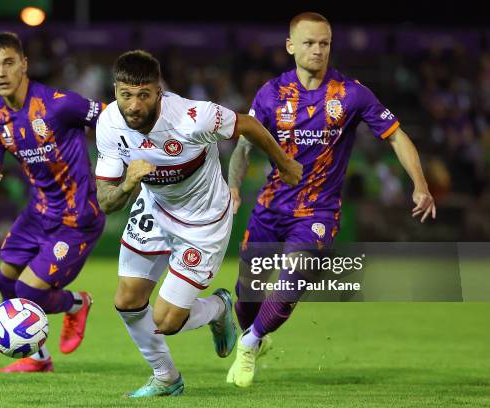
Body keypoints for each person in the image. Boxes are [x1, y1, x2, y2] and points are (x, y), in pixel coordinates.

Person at [227, 12, 437, 387]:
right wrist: (233, 187)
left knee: (296, 274)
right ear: (291, 46)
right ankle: (251, 330)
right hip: (270, 208)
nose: (318, 50)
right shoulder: (271, 93)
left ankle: (251, 342)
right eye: (309, 43)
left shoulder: (351, 93)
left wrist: (419, 184)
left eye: (324, 43)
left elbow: (396, 136)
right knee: (247, 294)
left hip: (318, 211)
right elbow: (244, 145)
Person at [94, 50, 302, 397]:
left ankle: (218, 308)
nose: (133, 105)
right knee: (128, 301)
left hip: (202, 223)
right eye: (125, 95)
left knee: (165, 322)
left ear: (158, 92)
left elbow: (248, 125)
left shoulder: (194, 117)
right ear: (115, 91)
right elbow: (106, 202)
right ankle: (166, 377)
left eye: (143, 95)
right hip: (154, 206)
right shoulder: (109, 124)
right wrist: (129, 184)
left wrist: (282, 163)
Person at [0, 32, 105, 372]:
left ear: (24, 65)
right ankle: (37, 357)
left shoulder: (59, 104)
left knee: (26, 290)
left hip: (77, 218)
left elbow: (113, 121)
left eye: (8, 63)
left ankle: (77, 303)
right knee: (4, 281)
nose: (2, 72)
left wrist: (120, 168)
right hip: (38, 214)